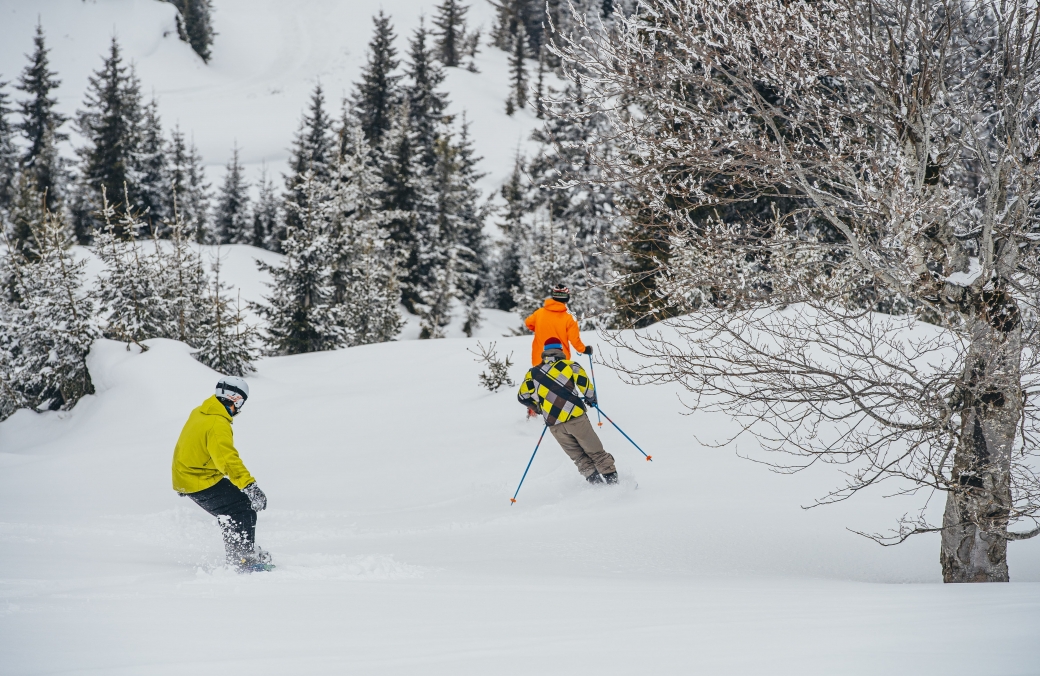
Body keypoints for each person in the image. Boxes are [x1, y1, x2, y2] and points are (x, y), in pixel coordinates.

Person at [172, 376, 272, 571]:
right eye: (241, 402)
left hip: (191, 475)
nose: (240, 408)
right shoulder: (217, 424)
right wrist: (249, 486)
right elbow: (227, 460)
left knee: (231, 510)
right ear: (233, 398)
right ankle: (243, 558)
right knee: (243, 507)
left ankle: (241, 552)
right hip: (197, 478)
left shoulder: (202, 411)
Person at [518, 337, 619, 485]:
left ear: (545, 353)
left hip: (554, 424)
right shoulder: (571, 366)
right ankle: (615, 486)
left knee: (579, 459)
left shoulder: (533, 373)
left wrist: (539, 408)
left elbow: (522, 396)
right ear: (560, 350)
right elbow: (587, 389)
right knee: (597, 453)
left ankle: (598, 488)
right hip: (576, 418)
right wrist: (591, 400)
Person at [524, 284, 592, 367]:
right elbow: (574, 339)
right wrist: (584, 349)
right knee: (560, 380)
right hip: (561, 361)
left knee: (540, 380)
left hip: (540, 360)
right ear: (566, 299)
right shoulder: (569, 318)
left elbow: (528, 323)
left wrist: (540, 329)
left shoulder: (539, 313)